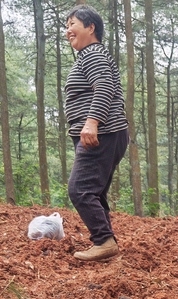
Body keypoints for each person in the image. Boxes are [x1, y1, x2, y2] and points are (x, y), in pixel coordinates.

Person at [64, 5, 129, 261]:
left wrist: (92, 122)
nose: (68, 30)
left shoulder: (93, 53)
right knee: (94, 191)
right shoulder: (90, 55)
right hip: (107, 132)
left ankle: (103, 241)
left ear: (91, 27)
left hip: (102, 131)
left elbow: (104, 86)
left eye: (73, 24)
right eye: (66, 26)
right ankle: (107, 247)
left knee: (80, 189)